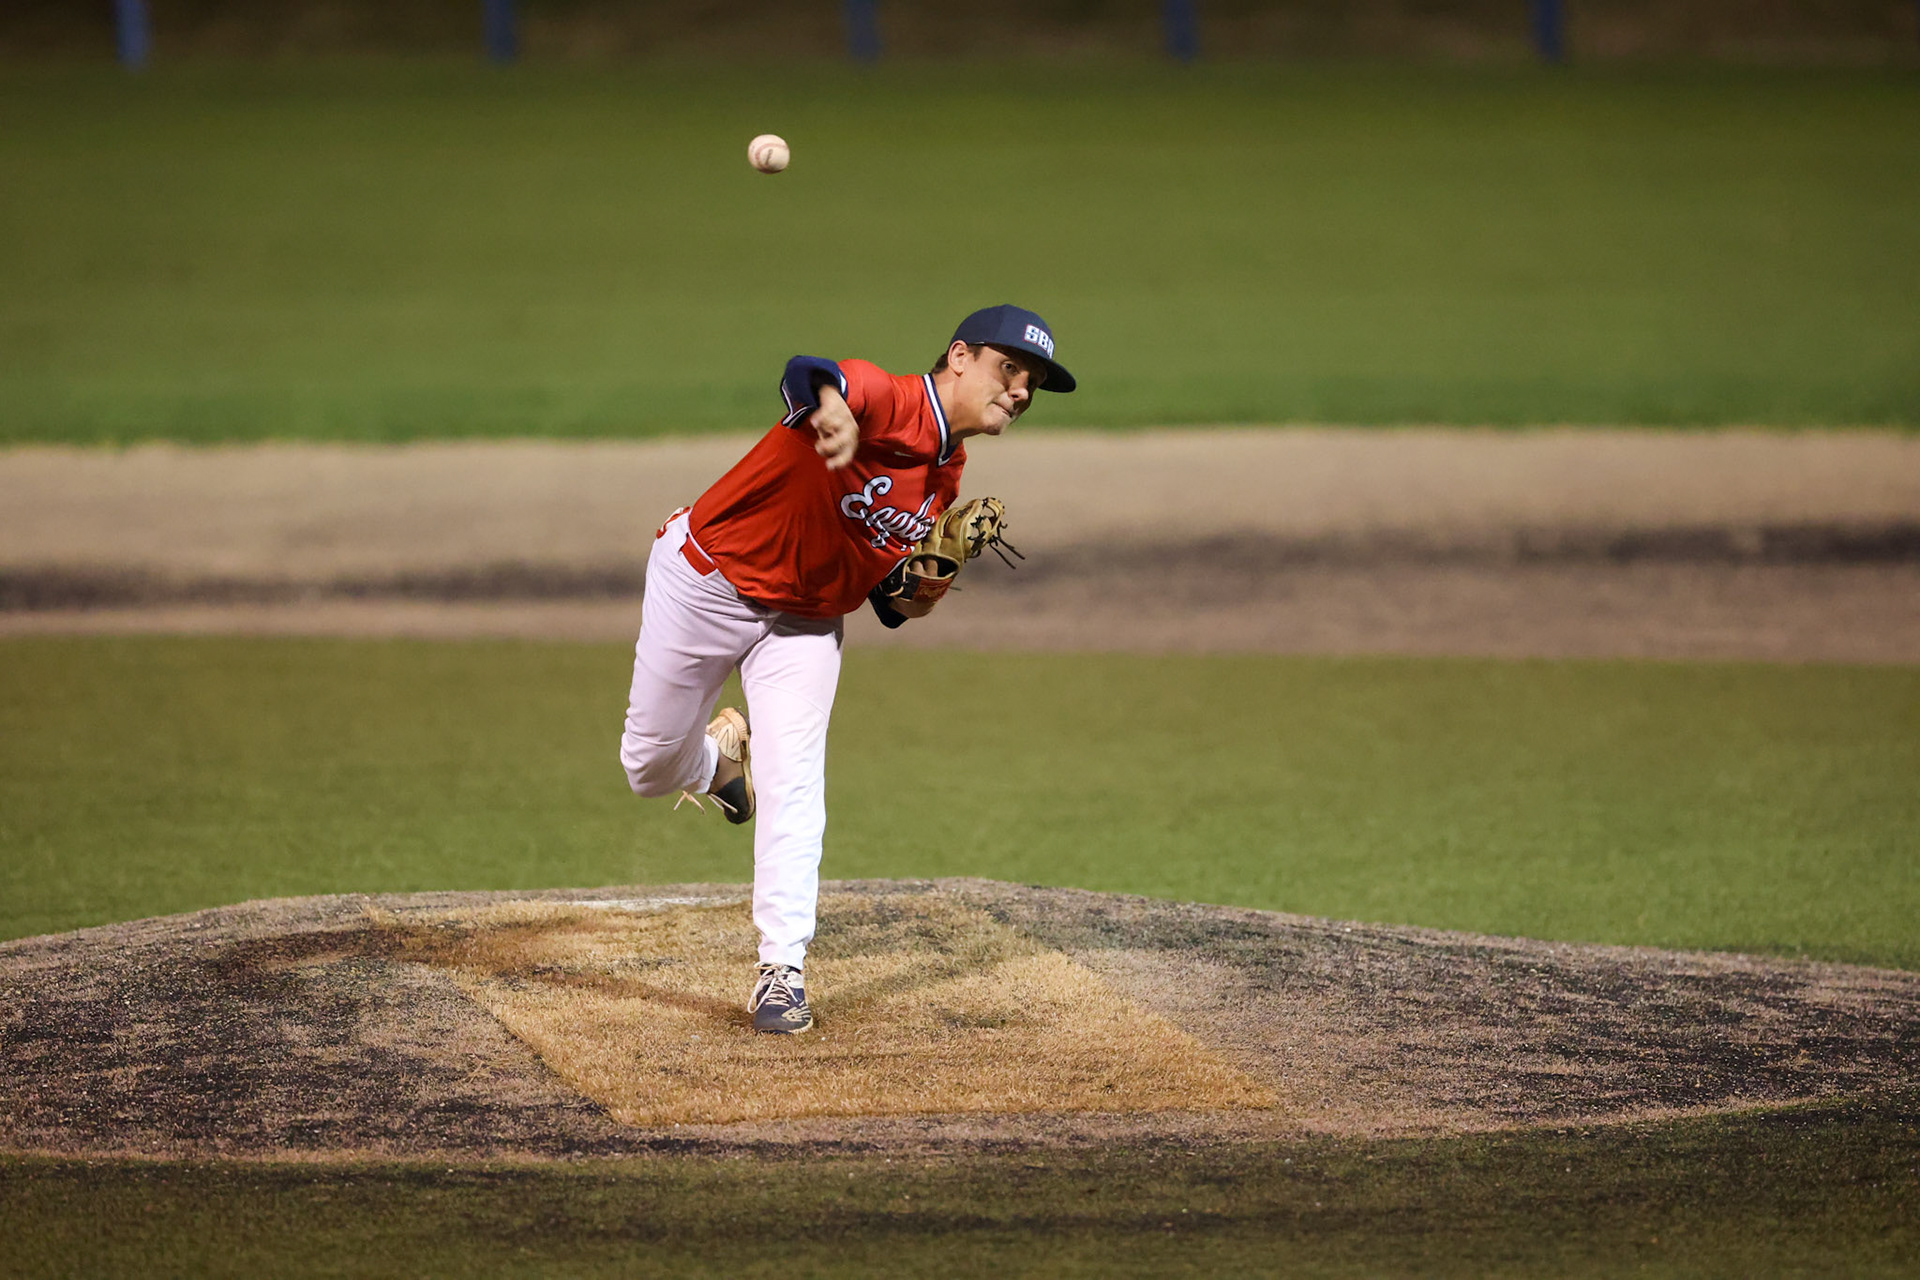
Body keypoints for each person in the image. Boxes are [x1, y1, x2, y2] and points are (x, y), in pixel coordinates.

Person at [618, 304, 1076, 1034]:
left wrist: (928, 581)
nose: (1021, 390)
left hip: (804, 621)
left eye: (1033, 383)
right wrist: (832, 410)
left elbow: (892, 606)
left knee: (794, 783)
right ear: (959, 356)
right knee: (647, 767)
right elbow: (811, 374)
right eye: (1010, 368)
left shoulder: (947, 474)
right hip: (707, 581)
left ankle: (782, 973)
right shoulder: (893, 400)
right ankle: (714, 766)